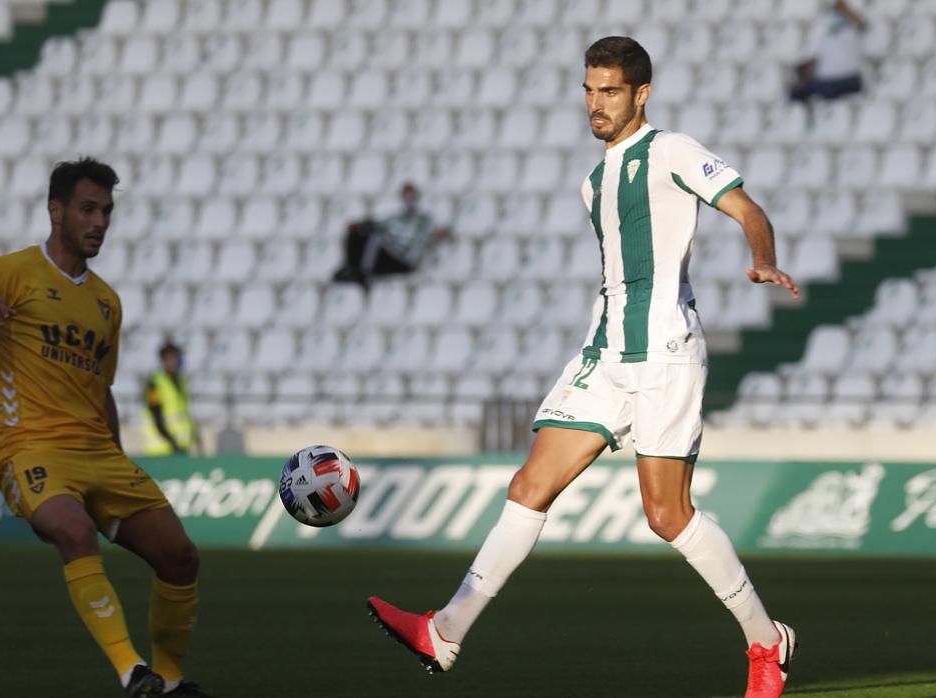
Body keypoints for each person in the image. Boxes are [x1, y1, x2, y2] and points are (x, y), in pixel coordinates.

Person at [366, 37, 802, 698]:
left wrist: (762, 258)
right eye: (589, 90)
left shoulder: (673, 151)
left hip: (663, 351)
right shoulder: (592, 181)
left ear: (641, 94)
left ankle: (767, 642)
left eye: (611, 91)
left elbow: (748, 209)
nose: (596, 104)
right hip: (603, 353)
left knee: (667, 516)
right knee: (528, 485)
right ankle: (445, 631)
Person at [0, 158, 211, 698]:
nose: (100, 221)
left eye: (107, 211)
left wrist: (119, 461)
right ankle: (131, 673)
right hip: (31, 451)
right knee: (75, 530)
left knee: (181, 556)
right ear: (56, 210)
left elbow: (104, 387)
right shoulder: (12, 271)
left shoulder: (107, 303)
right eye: (88, 209)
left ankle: (168, 681)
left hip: (101, 454)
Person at [331, 182, 451, 289]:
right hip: (390, 258)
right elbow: (377, 223)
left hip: (406, 260)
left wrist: (443, 234)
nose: (409, 200)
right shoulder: (395, 218)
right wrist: (358, 225)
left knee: (376, 236)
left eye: (411, 196)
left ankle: (363, 272)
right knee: (357, 234)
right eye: (406, 197)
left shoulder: (424, 220)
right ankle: (351, 268)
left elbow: (438, 231)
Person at [789, 0, 867, 102]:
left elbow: (812, 61)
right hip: (853, 82)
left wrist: (802, 81)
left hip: (829, 84)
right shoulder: (852, 28)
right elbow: (862, 25)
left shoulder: (822, 30)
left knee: (795, 92)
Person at [142, 343, 201, 456]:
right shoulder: (155, 383)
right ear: (165, 360)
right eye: (174, 357)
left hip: (181, 448)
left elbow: (185, 414)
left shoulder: (182, 382)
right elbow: (156, 415)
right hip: (160, 449)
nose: (177, 361)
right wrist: (172, 442)